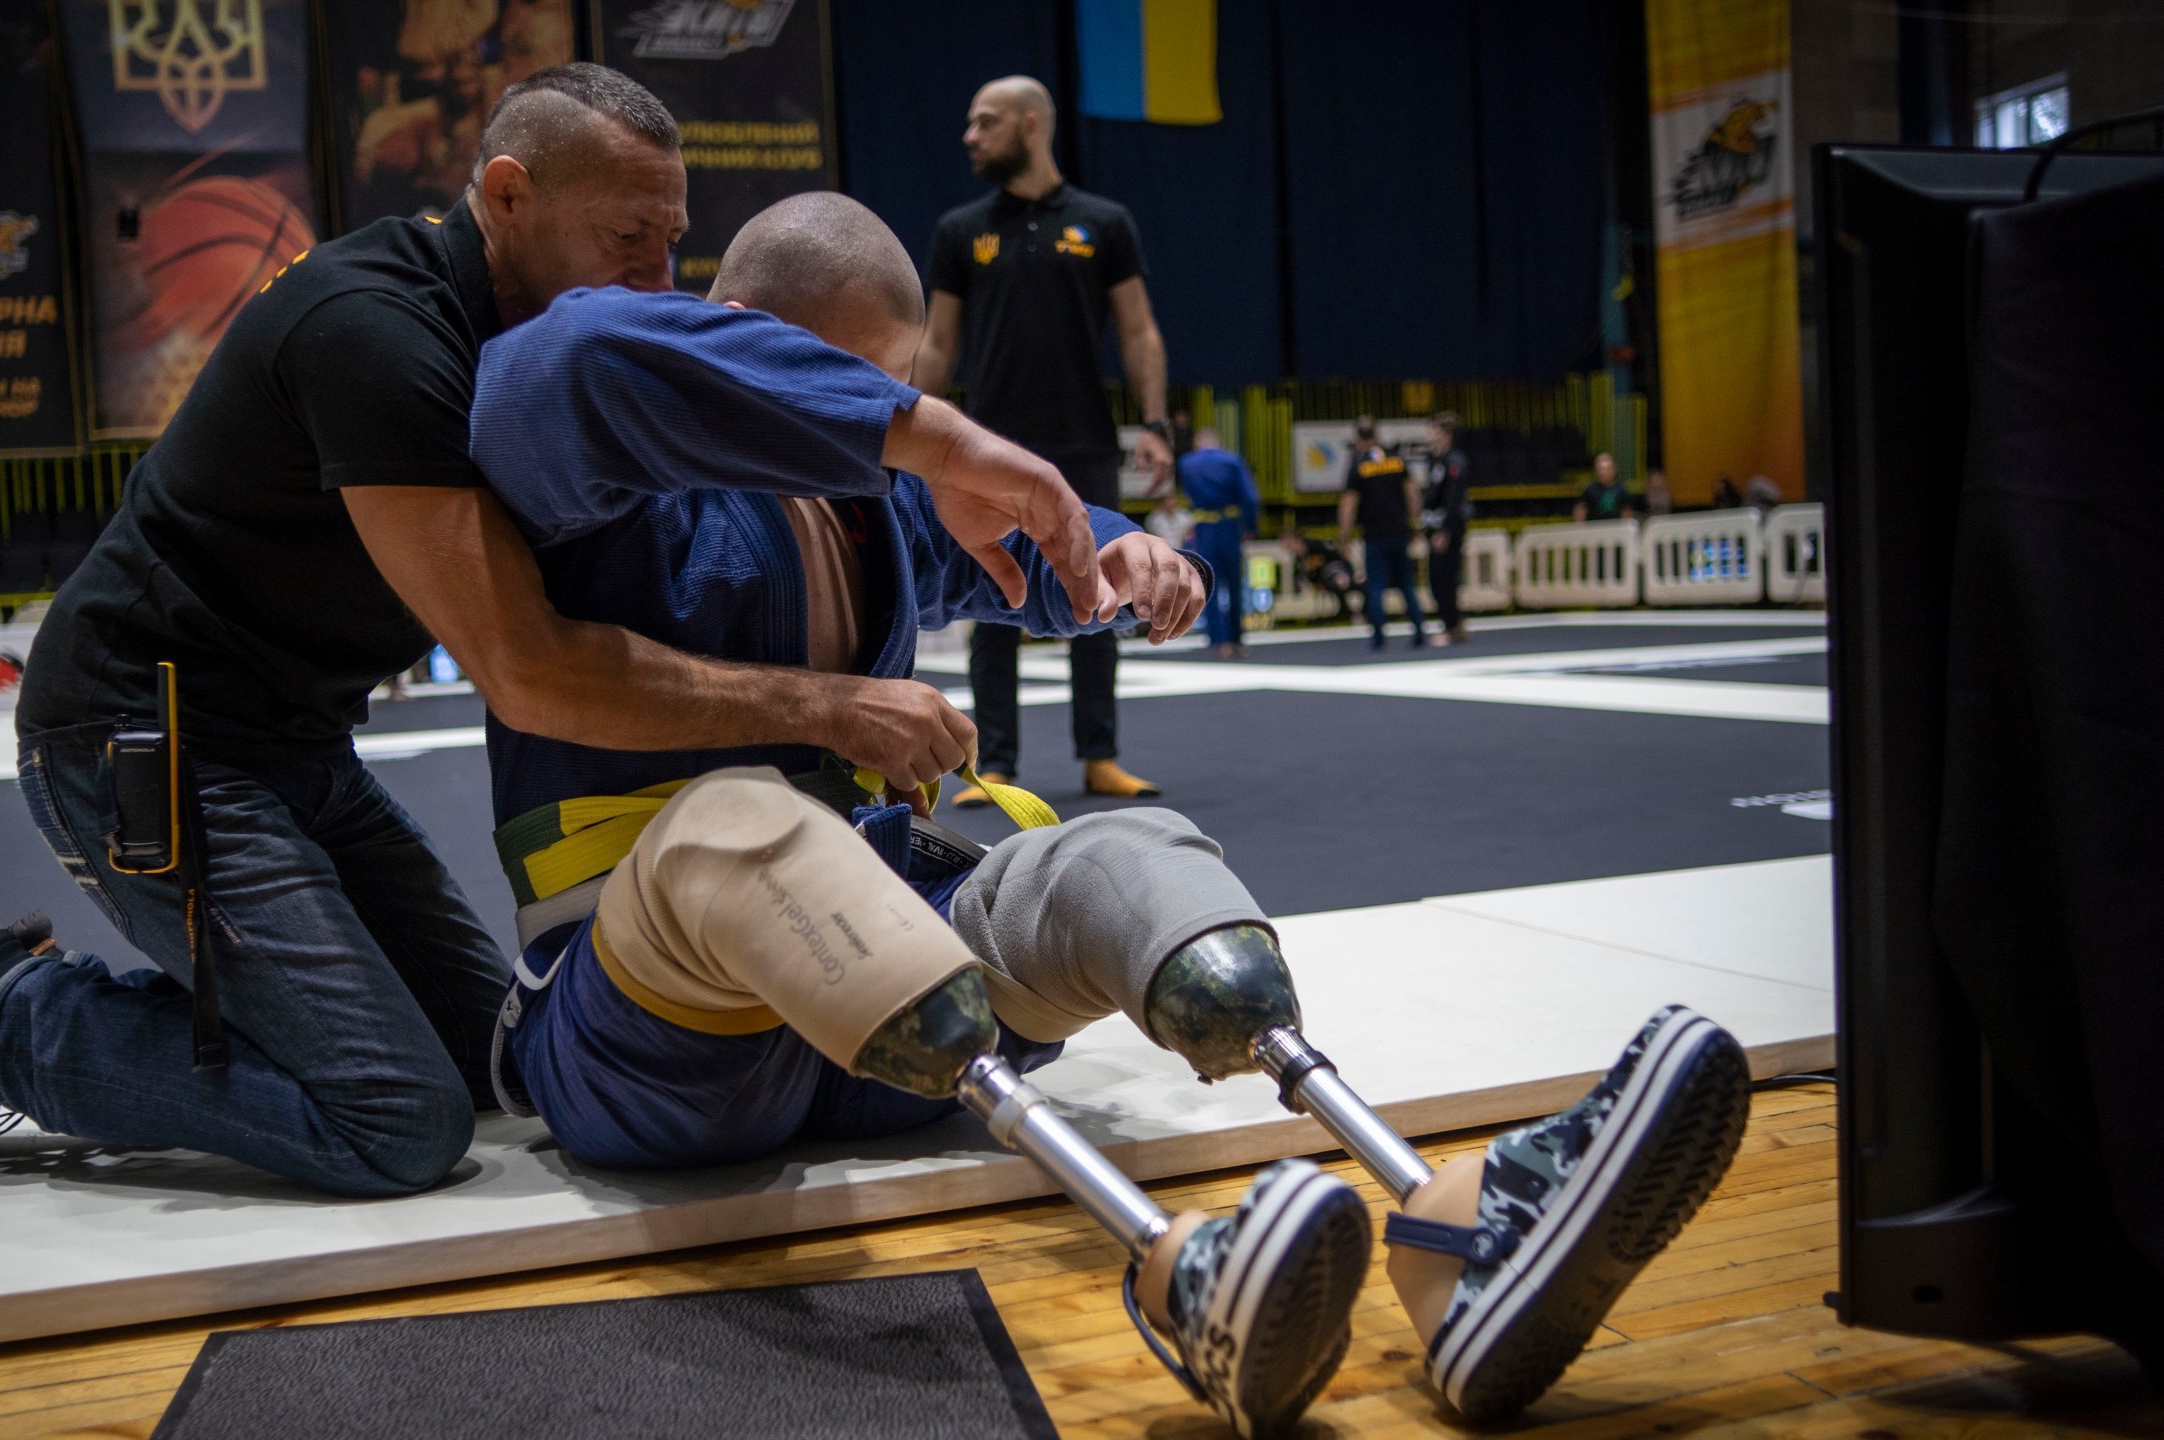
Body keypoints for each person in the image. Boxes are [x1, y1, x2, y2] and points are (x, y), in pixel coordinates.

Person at [464, 194, 1756, 1436]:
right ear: (733, 328)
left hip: (876, 1037)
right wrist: (922, 454)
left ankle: (1450, 1222)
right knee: (744, 822)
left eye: (897, 394)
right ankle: (1174, 1268)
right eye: (861, 399)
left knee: (1123, 856)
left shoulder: (866, 500)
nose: (879, 433)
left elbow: (1013, 538)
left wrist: (1115, 549)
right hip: (643, 1036)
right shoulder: (595, 451)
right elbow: (567, 351)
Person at [0, 65, 1100, 1200]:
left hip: (300, 747)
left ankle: (252, 1020)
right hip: (141, 739)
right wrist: (828, 698)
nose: (661, 282)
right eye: (627, 238)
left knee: (505, 1061)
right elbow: (533, 673)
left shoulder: (533, 335)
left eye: (674, 243)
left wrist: (1035, 522)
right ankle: (1, 1014)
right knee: (393, 1123)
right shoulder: (376, 334)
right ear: (505, 194)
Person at [916, 75, 1175, 805]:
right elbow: (936, 344)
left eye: (984, 122)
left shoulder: (1103, 223)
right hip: (988, 445)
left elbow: (1138, 329)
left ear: (1031, 126)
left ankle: (1101, 755)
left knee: (1102, 589)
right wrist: (916, 442)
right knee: (993, 593)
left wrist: (1154, 425)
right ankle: (994, 762)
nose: (971, 136)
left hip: (1082, 440)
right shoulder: (961, 231)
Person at [1335, 418, 1429, 650]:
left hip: (1374, 535)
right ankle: (1419, 631)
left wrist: (1344, 537)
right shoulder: (1396, 459)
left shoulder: (1360, 464)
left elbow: (1349, 504)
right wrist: (1415, 523)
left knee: (1375, 586)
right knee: (1406, 584)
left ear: (1358, 439)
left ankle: (1378, 637)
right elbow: (1412, 493)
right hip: (1399, 532)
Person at [1176, 427, 1258, 658]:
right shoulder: (1232, 460)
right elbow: (1250, 497)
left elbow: (1188, 493)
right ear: (1217, 442)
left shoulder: (1187, 463)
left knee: (1207, 585)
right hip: (1230, 525)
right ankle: (1238, 639)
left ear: (1198, 443)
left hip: (1204, 527)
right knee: (1234, 584)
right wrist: (1250, 527)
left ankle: (1219, 642)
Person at [1421, 411, 1471, 645]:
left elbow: (1453, 500)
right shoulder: (1437, 460)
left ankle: (1451, 628)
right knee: (1438, 580)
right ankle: (1455, 624)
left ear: (1446, 434)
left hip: (1448, 530)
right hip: (1436, 528)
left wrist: (1445, 531)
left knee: (1443, 580)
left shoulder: (1454, 461)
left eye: (1434, 431)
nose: (1430, 435)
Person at [1573, 452, 1633, 522]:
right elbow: (1581, 510)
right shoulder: (1590, 490)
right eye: (1600, 469)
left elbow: (1626, 511)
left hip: (1615, 528)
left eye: (1606, 469)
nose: (1603, 472)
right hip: (1594, 528)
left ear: (1613, 469)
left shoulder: (1621, 490)